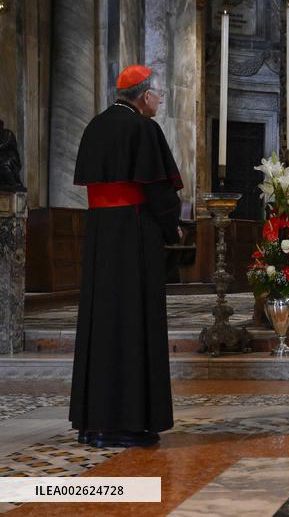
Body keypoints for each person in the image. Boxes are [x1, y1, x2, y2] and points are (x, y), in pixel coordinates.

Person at [70, 65, 182, 448]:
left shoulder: (94, 126)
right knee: (134, 321)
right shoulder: (144, 129)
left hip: (101, 235)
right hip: (135, 236)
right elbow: (159, 193)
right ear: (144, 95)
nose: (160, 100)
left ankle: (92, 423)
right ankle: (130, 424)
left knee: (100, 323)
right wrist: (172, 230)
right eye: (158, 94)